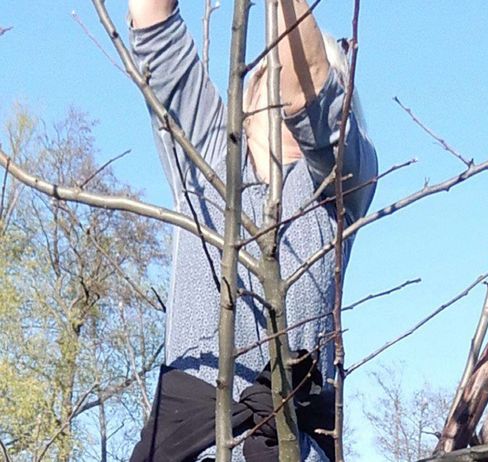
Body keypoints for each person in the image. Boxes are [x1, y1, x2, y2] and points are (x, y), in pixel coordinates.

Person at [126, 1, 377, 460]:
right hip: (185, 445)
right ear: (252, 91)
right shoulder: (207, 162)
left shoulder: (340, 188)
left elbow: (308, 94)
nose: (282, 94)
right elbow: (153, 26)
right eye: (270, 73)